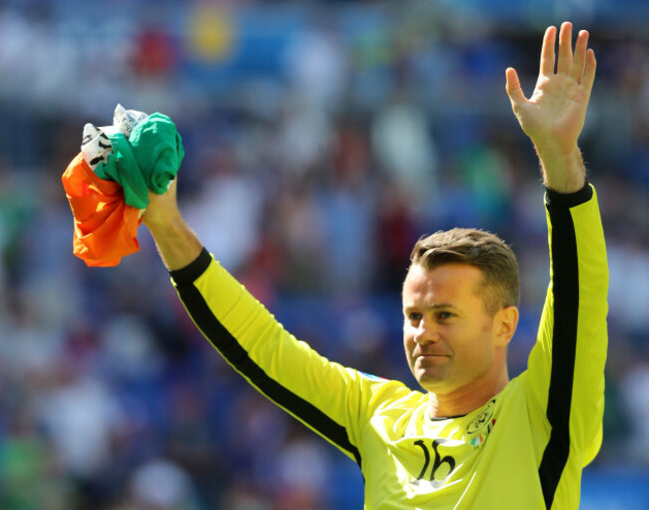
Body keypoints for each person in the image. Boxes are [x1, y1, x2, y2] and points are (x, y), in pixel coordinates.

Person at [141, 22, 607, 509]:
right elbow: (261, 346)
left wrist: (561, 162)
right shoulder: (378, 417)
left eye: (445, 315)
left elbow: (582, 300)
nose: (423, 333)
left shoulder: (543, 417)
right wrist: (168, 226)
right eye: (413, 316)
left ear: (503, 325)